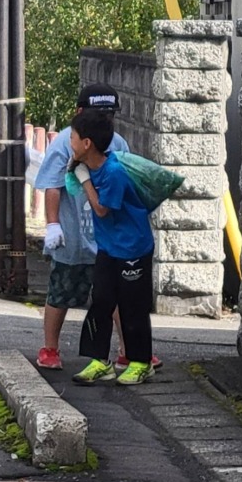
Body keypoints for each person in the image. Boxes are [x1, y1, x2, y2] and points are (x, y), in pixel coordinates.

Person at [34, 84, 129, 370]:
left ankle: (130, 350)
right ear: (79, 113)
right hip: (74, 234)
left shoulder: (118, 144)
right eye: (98, 113)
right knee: (61, 291)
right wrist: (53, 225)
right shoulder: (66, 142)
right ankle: (50, 347)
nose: (105, 120)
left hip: (107, 236)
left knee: (117, 296)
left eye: (109, 114)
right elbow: (52, 185)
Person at [70, 111, 156, 386]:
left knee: (133, 307)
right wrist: (78, 170)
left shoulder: (114, 172)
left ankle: (141, 362)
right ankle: (100, 361)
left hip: (133, 248)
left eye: (73, 137)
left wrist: (84, 179)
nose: (69, 142)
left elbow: (102, 209)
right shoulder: (92, 166)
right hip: (108, 248)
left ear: (87, 143)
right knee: (101, 301)